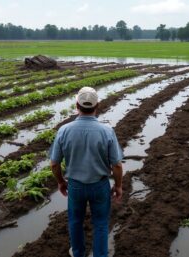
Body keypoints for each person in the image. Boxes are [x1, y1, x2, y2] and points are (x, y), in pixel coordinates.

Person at [50, 87, 124, 257]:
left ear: (77, 105)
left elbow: (54, 164)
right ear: (97, 105)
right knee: (100, 223)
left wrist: (61, 182)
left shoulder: (64, 130)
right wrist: (118, 186)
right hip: (100, 185)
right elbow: (117, 165)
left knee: (75, 222)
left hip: (75, 186)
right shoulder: (107, 131)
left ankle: (78, 253)